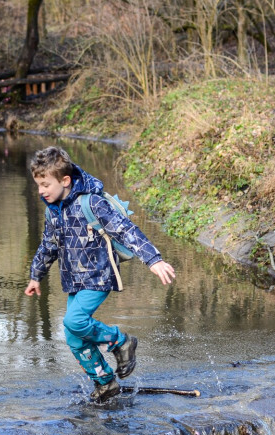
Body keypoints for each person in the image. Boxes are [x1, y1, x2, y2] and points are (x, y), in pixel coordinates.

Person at [24, 146, 176, 403]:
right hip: (74, 281)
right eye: (38, 185)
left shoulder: (92, 202)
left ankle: (121, 341)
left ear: (65, 181)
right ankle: (105, 383)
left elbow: (125, 230)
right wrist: (35, 275)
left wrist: (153, 259)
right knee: (73, 336)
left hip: (98, 276)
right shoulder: (53, 210)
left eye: (45, 185)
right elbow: (48, 245)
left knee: (74, 321)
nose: (41, 191)